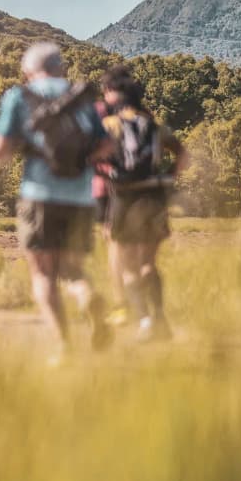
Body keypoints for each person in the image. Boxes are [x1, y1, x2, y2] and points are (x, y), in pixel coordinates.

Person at [0, 42, 115, 365]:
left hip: (39, 193)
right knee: (72, 269)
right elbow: (106, 146)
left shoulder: (19, 96)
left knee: (43, 273)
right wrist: (80, 158)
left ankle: (63, 346)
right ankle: (89, 298)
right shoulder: (83, 98)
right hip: (81, 197)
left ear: (28, 70)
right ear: (61, 68)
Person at [101, 73, 187, 343]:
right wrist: (171, 175)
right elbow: (183, 155)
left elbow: (93, 157)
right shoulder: (155, 125)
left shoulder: (110, 124)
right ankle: (160, 318)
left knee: (126, 265)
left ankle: (144, 320)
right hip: (154, 195)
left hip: (124, 198)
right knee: (148, 263)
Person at [95, 65, 133, 326]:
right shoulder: (140, 113)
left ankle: (122, 305)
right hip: (139, 186)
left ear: (107, 89)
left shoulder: (100, 112)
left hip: (105, 184)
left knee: (113, 244)